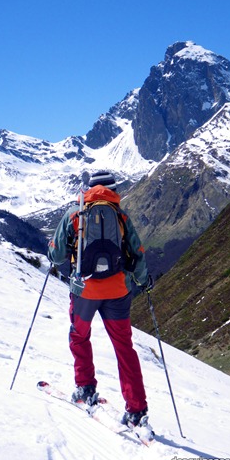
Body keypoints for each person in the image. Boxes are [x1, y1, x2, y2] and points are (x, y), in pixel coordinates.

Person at [48, 170, 154, 427]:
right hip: (118, 291)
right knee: (123, 347)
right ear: (113, 190)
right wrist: (142, 281)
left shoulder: (75, 214)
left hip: (85, 291)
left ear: (90, 189)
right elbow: (137, 252)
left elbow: (58, 254)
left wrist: (51, 253)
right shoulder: (121, 215)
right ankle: (136, 410)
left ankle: (85, 388)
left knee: (80, 336)